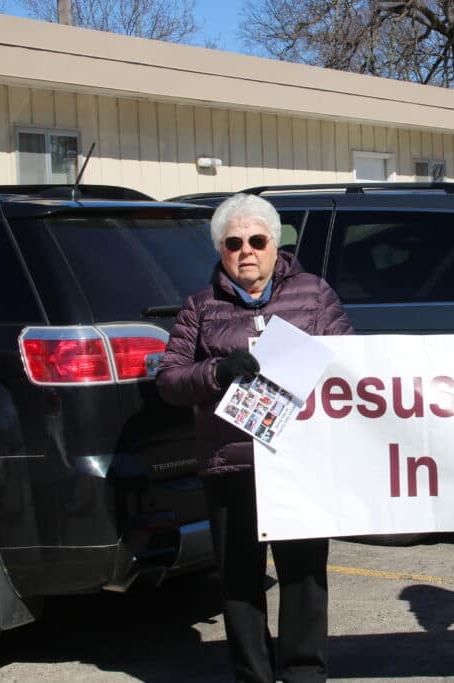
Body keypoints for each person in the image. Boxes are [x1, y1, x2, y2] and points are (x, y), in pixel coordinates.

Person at [156, 193, 352, 683]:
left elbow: (349, 363)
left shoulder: (313, 294)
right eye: (234, 243)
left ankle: (304, 672)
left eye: (257, 240)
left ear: (274, 244)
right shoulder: (200, 307)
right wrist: (216, 371)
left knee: (304, 576)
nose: (247, 251)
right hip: (231, 465)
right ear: (221, 250)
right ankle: (253, 674)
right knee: (240, 582)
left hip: (298, 465)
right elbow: (170, 380)